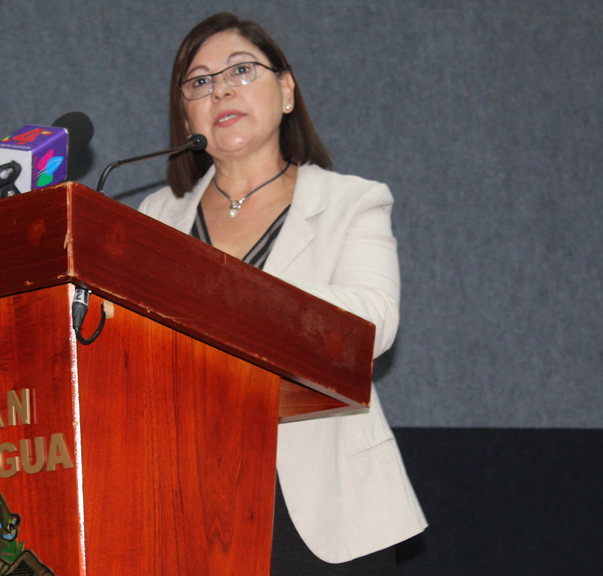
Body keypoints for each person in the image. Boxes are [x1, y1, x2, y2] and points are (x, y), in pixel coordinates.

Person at [138, 12, 426, 575]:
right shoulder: (155, 218)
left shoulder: (353, 202)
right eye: (198, 81)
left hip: (321, 507)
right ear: (186, 113)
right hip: (185, 501)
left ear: (286, 90)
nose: (220, 88)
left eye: (241, 70)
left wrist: (243, 295)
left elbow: (373, 324)